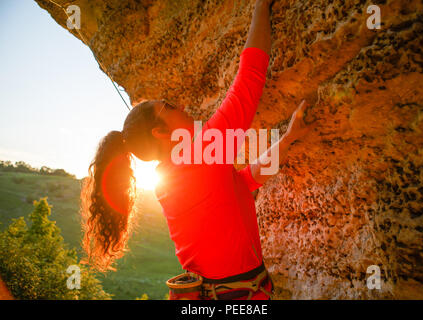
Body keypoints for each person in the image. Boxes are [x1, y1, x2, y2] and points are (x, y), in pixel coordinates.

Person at [80, 0, 316, 300]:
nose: (180, 106)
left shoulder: (173, 174)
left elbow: (243, 184)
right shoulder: (200, 155)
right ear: (161, 132)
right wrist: (260, 6)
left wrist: (289, 139)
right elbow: (250, 78)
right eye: (168, 107)